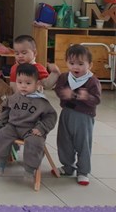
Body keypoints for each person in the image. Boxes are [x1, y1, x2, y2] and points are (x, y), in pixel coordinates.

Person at [0, 63, 57, 178]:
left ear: (37, 84)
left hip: (31, 129)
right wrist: (0, 122)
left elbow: (51, 116)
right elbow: (5, 109)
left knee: (35, 142)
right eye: (20, 82)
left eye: (28, 83)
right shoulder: (14, 97)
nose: (23, 86)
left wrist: (41, 128)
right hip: (13, 126)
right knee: (1, 135)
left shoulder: (41, 101)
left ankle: (29, 169)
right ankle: (1, 163)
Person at [54, 44, 101, 186]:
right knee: (64, 141)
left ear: (90, 65)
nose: (76, 67)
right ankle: (68, 166)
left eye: (81, 64)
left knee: (83, 143)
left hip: (83, 117)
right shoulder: (64, 77)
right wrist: (63, 93)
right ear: (67, 62)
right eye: (72, 63)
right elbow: (58, 90)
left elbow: (97, 100)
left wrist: (87, 97)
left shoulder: (92, 81)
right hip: (66, 113)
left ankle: (83, 171)